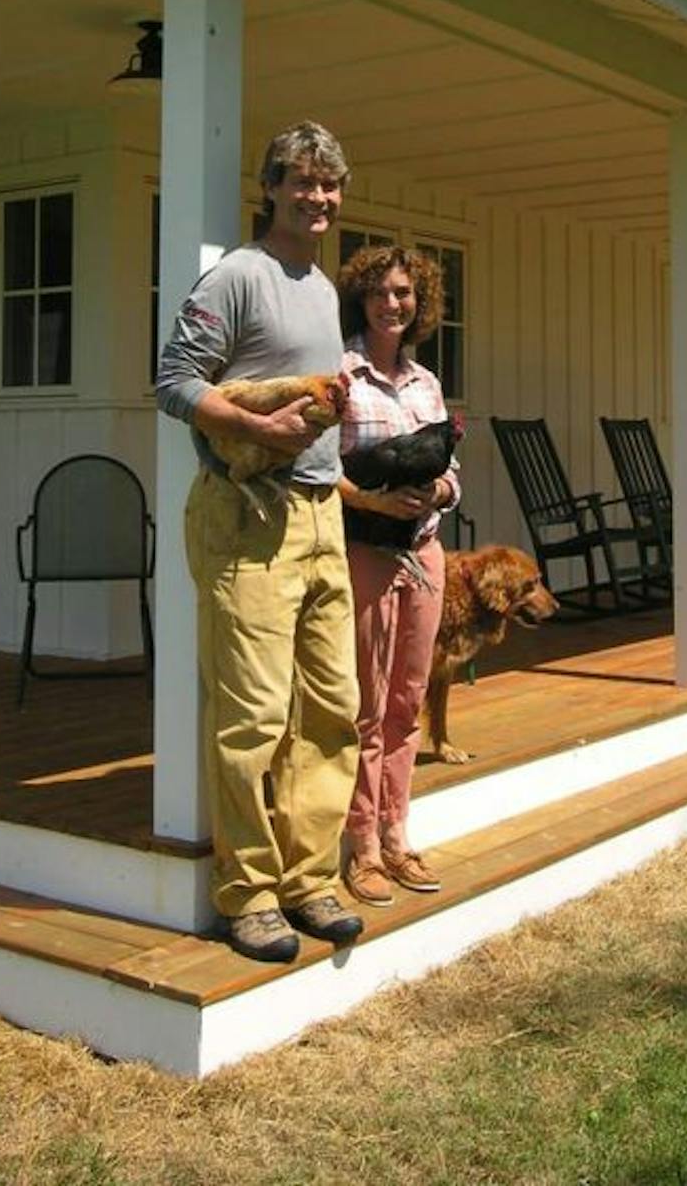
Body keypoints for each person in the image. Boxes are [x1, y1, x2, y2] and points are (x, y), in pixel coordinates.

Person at [154, 122, 365, 964]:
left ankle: (312, 878)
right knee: (253, 717)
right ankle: (248, 895)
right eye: (304, 183)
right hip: (247, 517)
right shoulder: (237, 275)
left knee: (330, 709)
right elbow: (173, 381)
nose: (319, 198)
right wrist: (254, 424)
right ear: (272, 186)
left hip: (320, 512)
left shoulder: (319, 286)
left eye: (331, 185)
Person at [335, 244, 460, 905]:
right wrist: (378, 501)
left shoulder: (426, 382)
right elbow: (321, 470)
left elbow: (452, 473)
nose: (393, 303)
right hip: (365, 553)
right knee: (365, 702)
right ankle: (360, 846)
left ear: (420, 303)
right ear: (362, 297)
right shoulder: (340, 373)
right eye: (381, 292)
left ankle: (397, 831)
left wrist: (438, 494)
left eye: (405, 293)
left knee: (408, 700)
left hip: (425, 551)